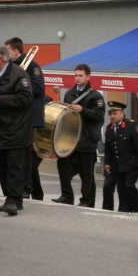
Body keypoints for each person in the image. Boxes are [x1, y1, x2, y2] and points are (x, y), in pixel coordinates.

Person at [0, 43, 33, 216]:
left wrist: (0, 100)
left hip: (15, 130)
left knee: (14, 167)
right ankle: (9, 198)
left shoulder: (19, 75)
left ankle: (14, 200)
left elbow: (25, 98)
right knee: (2, 167)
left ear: (0, 59)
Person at [52, 64, 104, 208]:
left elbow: (99, 116)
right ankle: (66, 196)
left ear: (88, 77)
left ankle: (87, 200)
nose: (77, 78)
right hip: (70, 139)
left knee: (86, 173)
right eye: (75, 75)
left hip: (87, 140)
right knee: (62, 166)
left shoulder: (96, 96)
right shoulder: (69, 94)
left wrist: (83, 110)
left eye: (80, 75)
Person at [4, 37, 46, 200]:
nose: (6, 55)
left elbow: (38, 89)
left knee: (28, 156)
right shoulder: (12, 67)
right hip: (19, 117)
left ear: (16, 51)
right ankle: (33, 190)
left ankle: (29, 189)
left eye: (8, 51)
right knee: (24, 156)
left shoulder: (32, 66)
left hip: (30, 117)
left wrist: (19, 85)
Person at [102, 101, 138, 212]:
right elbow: (108, 147)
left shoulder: (132, 125)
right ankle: (123, 208)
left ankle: (136, 207)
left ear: (122, 113)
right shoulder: (110, 128)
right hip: (117, 164)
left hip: (131, 163)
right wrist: (107, 163)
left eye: (114, 113)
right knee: (121, 188)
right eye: (110, 114)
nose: (112, 116)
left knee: (129, 185)